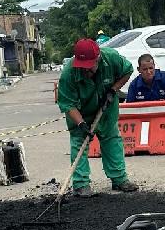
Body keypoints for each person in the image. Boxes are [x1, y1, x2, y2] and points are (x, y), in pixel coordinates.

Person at [56, 38, 137, 197]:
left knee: (112, 140)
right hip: (80, 113)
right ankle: (80, 184)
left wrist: (113, 90)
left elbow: (127, 71)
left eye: (90, 67)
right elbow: (67, 103)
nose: (86, 71)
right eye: (83, 68)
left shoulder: (111, 58)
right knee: (79, 143)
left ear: (98, 58)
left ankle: (119, 179)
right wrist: (81, 124)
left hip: (106, 110)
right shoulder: (68, 73)